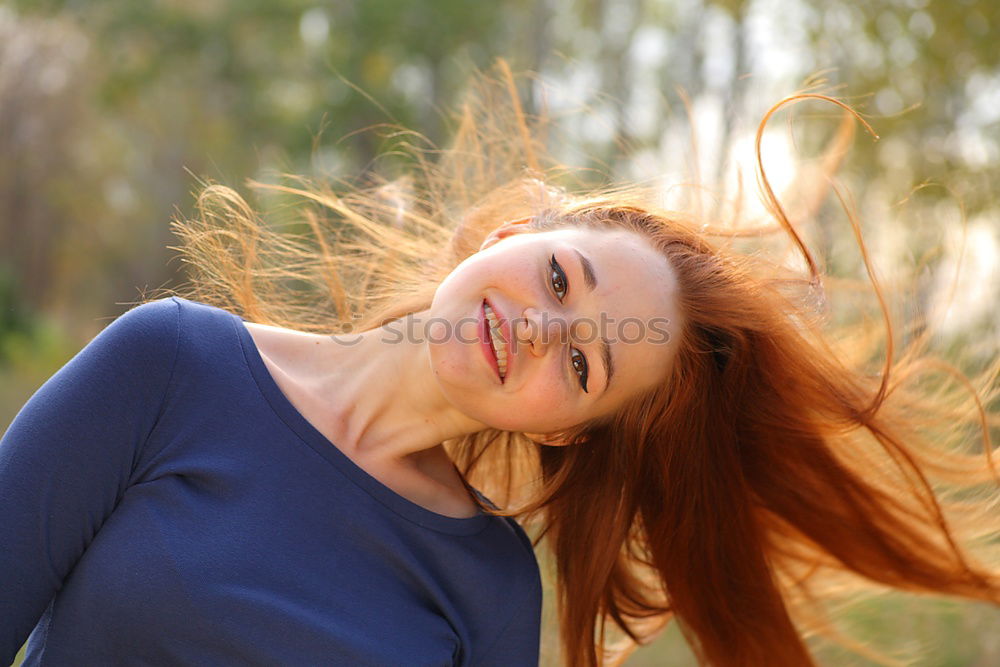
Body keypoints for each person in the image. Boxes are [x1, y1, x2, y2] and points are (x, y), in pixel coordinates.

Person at [3, 64, 1000, 667]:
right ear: (507, 229)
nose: (537, 329)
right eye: (559, 278)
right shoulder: (170, 364)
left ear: (564, 429)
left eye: (582, 367)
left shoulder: (485, 590)